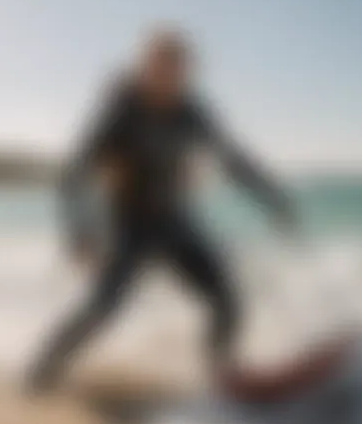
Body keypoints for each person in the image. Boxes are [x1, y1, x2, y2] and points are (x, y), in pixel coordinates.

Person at [25, 27, 299, 395]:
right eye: (160, 68)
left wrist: (272, 197)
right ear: (145, 68)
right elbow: (74, 172)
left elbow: (232, 159)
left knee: (226, 299)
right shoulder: (121, 110)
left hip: (174, 220)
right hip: (127, 223)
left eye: (179, 71)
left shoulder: (194, 112)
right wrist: (80, 230)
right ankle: (39, 371)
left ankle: (221, 377)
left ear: (188, 73)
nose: (170, 78)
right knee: (103, 308)